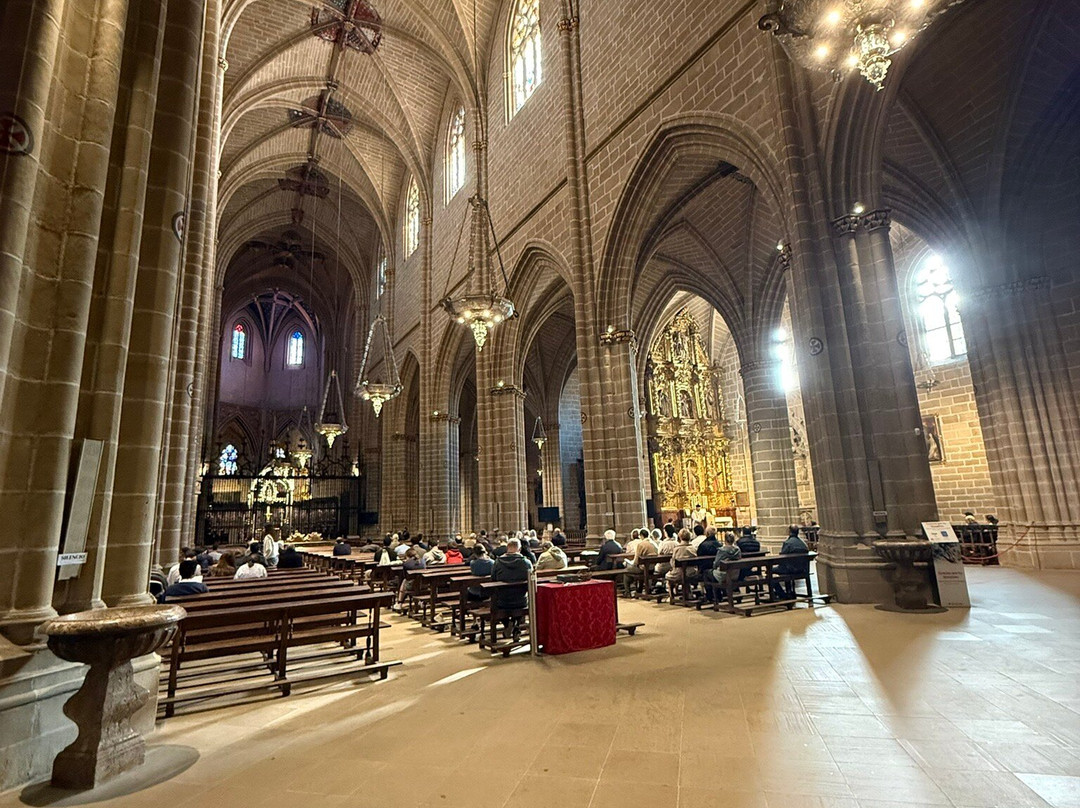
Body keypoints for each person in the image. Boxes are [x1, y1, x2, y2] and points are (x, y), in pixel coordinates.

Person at [491, 538, 532, 637]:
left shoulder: (497, 562)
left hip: (502, 601)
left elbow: (493, 579)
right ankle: (516, 625)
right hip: (521, 600)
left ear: (507, 548)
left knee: (494, 602)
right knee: (521, 599)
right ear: (520, 549)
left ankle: (508, 624)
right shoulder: (526, 563)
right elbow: (531, 580)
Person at [773, 525, 810, 600]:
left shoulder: (788, 543)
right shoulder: (803, 544)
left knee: (769, 572)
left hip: (790, 569)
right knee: (785, 567)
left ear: (789, 532)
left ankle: (782, 594)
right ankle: (789, 591)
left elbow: (782, 557)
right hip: (802, 569)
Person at [666, 529, 699, 594]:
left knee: (668, 575)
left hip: (679, 573)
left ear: (680, 537)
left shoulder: (677, 549)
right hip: (692, 573)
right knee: (686, 573)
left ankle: (672, 596)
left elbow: (673, 563)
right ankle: (688, 593)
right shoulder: (693, 548)